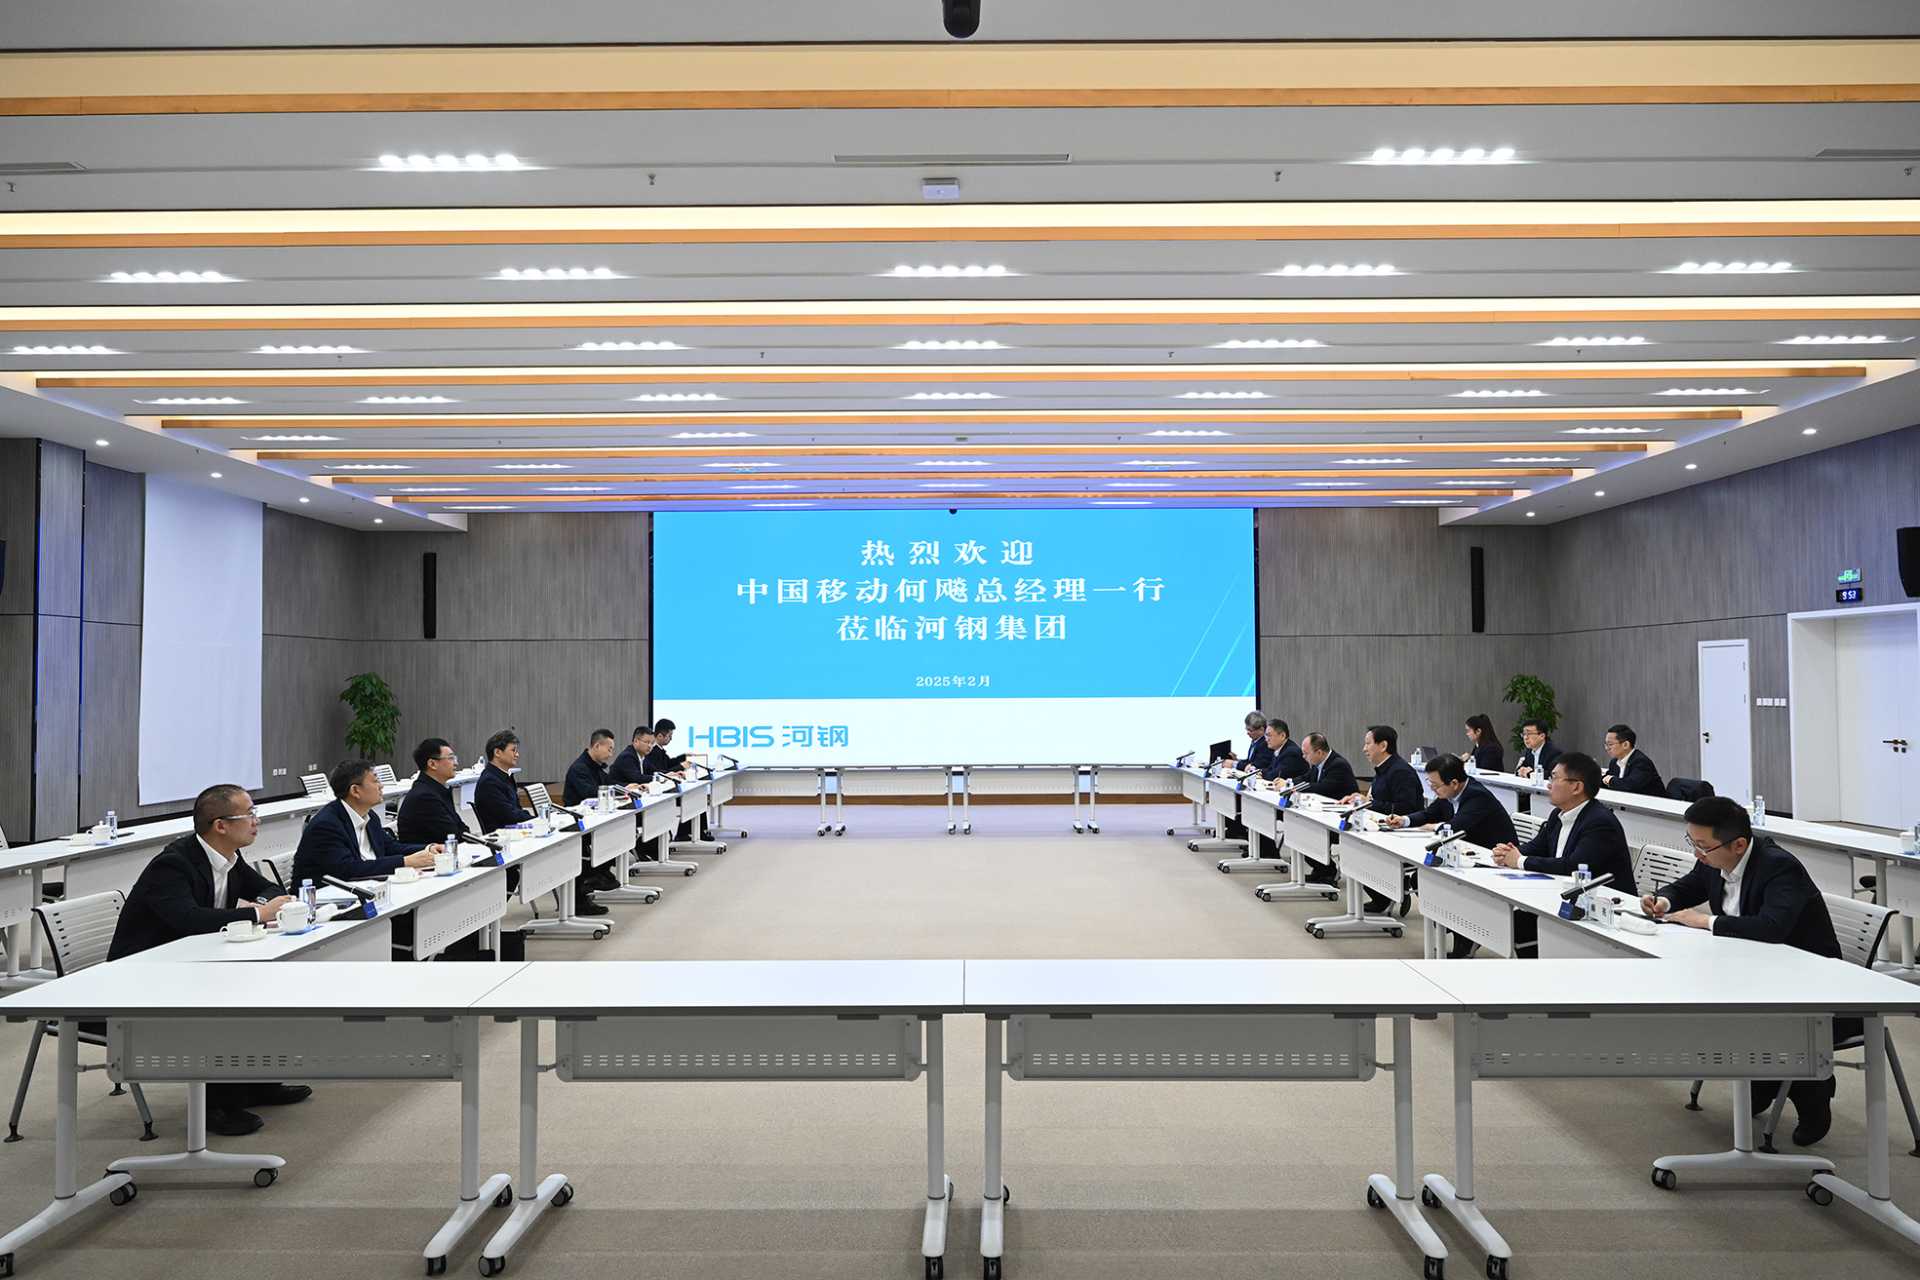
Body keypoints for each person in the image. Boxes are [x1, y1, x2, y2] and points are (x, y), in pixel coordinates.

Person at [1642, 796, 1853, 1145]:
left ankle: (1811, 1091)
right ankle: (1763, 1079)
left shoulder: (1779, 867)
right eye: (1692, 843)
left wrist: (1705, 921)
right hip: (1747, 969)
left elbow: (1772, 927)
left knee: (1753, 1018)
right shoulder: (1715, 857)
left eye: (1703, 846)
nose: (1697, 853)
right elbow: (1690, 885)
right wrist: (1663, 900)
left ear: (1738, 844)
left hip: (1808, 985)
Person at [106, 784, 306, 1136]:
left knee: (265, 986)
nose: (256, 821)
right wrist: (258, 914)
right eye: (249, 814)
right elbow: (189, 920)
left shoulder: (230, 857)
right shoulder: (173, 864)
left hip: (195, 961)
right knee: (225, 1002)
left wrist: (267, 904)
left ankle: (259, 1083)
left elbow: (269, 889)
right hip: (145, 974)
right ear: (221, 825)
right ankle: (217, 1106)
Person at [1387, 753, 1517, 958]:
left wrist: (1433, 827)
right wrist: (1404, 820)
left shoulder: (1477, 796)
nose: (1432, 789)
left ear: (1454, 783)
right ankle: (1456, 927)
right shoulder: (1447, 794)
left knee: (1445, 885)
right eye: (1430, 784)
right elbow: (1428, 814)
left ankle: (1464, 935)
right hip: (1465, 855)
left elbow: (1455, 827)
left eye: (1435, 785)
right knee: (1422, 879)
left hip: (1494, 860)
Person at [1489, 751, 1636, 893]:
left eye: (1554, 778)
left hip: (1606, 901)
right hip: (1562, 889)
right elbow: (1537, 846)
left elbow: (1573, 866)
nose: (1548, 785)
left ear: (1576, 787)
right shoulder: (1558, 814)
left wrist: (1520, 861)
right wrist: (1507, 853)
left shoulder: (1600, 822)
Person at [291, 759, 441, 886]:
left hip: (369, 885)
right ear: (355, 791)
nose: (381, 786)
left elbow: (390, 847)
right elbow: (347, 869)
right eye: (375, 781)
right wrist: (405, 862)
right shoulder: (326, 825)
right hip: (324, 899)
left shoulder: (370, 816)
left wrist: (428, 848)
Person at [1343, 725, 1424, 912]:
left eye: (1368, 744)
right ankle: (1385, 895)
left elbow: (1406, 808)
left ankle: (1389, 893)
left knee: (1360, 851)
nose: (1364, 749)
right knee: (1352, 847)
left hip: (1402, 833)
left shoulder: (1400, 771)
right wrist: (1360, 800)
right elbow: (1377, 800)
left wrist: (1369, 804)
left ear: (1383, 746)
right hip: (1381, 828)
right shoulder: (1383, 769)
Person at [563, 728, 633, 894]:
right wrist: (618, 791)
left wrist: (627, 788)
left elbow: (609, 784)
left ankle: (600, 872)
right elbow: (590, 793)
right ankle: (592, 876)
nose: (611, 754)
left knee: (620, 828)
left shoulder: (596, 767)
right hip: (578, 823)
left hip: (594, 818)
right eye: (609, 749)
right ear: (596, 746)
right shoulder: (580, 768)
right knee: (613, 831)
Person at [396, 737, 471, 845]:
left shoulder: (436, 789)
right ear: (432, 764)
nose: (456, 763)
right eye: (450, 758)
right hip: (430, 854)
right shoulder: (424, 797)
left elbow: (460, 827)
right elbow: (452, 835)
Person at [473, 729, 537, 833]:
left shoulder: (503, 777)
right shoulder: (489, 782)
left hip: (514, 831)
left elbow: (517, 811)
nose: (517, 755)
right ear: (497, 752)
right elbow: (510, 816)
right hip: (503, 835)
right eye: (513, 750)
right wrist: (537, 821)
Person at [1601, 723, 1666, 796]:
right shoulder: (1614, 763)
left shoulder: (1641, 762)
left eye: (1610, 744)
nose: (1606, 748)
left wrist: (1611, 780)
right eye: (1605, 744)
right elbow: (1606, 781)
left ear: (1625, 745)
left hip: (1651, 802)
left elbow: (1630, 786)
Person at [1300, 732, 1359, 800]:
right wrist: (1290, 783)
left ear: (1319, 753)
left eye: (1306, 753)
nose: (1303, 756)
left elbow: (1321, 789)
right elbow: (1304, 778)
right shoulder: (1317, 764)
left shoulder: (1338, 765)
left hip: (1345, 805)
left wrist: (1295, 788)